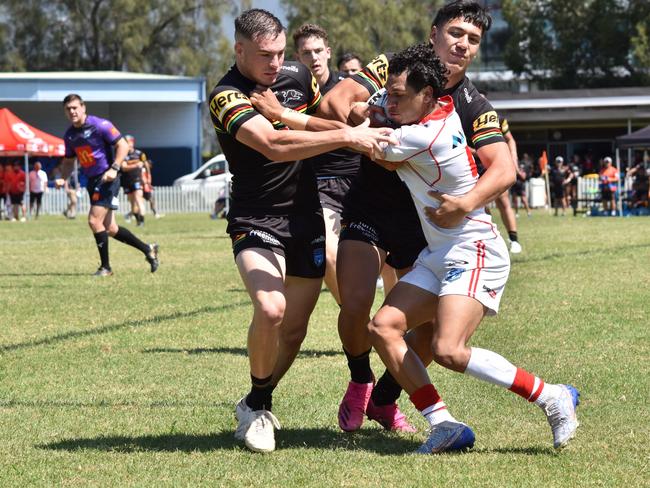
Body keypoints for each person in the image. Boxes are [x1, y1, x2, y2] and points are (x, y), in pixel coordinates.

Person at [365, 43, 579, 454]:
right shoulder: (428, 107)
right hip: (441, 252)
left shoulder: (425, 135)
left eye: (397, 96)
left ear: (426, 96)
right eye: (388, 93)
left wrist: (285, 118)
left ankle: (553, 396)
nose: (389, 101)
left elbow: (368, 144)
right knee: (383, 327)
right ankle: (443, 424)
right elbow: (368, 118)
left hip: (474, 249)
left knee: (447, 349)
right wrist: (370, 109)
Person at [317, 0, 517, 434]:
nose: (462, 45)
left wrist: (465, 203)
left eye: (473, 40)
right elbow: (337, 100)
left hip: (426, 224)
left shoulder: (473, 103)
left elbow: (502, 168)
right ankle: (359, 381)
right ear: (433, 33)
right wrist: (360, 116)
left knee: (424, 330)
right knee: (354, 303)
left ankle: (386, 400)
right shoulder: (395, 66)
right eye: (455, 34)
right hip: (369, 204)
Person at [208, 8, 393, 453]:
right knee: (271, 310)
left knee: (294, 330)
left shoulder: (295, 75)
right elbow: (274, 145)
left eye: (279, 52)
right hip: (256, 217)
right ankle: (258, 408)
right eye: (264, 55)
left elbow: (311, 124)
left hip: (306, 217)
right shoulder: (226, 96)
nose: (275, 63)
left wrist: (356, 130)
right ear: (239, 50)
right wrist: (349, 138)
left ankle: (256, 401)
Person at [292, 23, 361, 305]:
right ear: (297, 57)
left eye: (319, 51)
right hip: (319, 186)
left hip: (360, 181)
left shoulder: (348, 88)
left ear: (329, 52)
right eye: (306, 53)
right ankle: (355, 319)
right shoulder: (289, 93)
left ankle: (395, 328)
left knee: (391, 261)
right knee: (330, 256)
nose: (314, 58)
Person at [56, 94, 159, 276]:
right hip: (91, 181)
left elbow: (123, 146)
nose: (72, 111)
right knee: (111, 228)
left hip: (107, 179)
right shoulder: (70, 135)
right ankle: (148, 249)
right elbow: (69, 161)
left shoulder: (100, 125)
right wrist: (63, 178)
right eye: (68, 109)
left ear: (83, 107)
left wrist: (114, 168)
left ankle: (106, 268)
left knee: (94, 221)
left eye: (75, 107)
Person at [120, 135, 147, 226]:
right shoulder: (122, 154)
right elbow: (123, 168)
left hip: (137, 180)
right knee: (132, 204)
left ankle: (142, 222)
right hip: (127, 181)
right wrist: (135, 165)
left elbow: (144, 164)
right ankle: (138, 221)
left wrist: (147, 180)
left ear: (132, 143)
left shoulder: (140, 154)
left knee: (139, 200)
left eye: (128, 142)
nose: (127, 144)